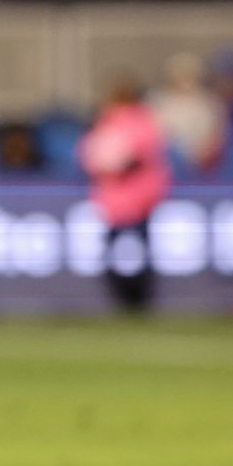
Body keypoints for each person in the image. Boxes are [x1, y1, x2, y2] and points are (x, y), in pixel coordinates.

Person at [78, 77, 170, 313]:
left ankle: (136, 301)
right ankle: (126, 302)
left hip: (135, 201)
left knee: (135, 255)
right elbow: (90, 156)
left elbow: (139, 156)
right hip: (118, 203)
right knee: (120, 255)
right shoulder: (108, 122)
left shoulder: (137, 122)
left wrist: (117, 162)